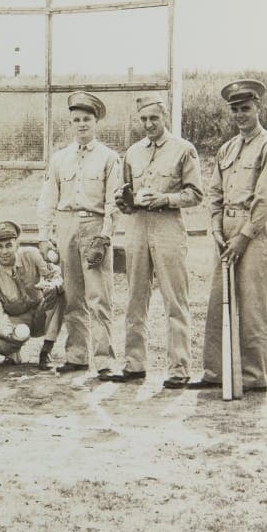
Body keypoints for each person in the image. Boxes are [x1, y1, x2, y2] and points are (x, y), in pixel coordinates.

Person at [189, 79, 267, 394]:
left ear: (258, 107)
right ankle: (215, 372)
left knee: (252, 305)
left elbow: (266, 197)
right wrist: (216, 229)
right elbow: (214, 193)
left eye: (246, 108)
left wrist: (244, 236)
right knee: (219, 303)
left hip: (253, 234)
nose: (240, 115)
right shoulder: (227, 148)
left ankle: (253, 376)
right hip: (225, 232)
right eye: (235, 110)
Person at [107, 95, 203, 388]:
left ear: (165, 119)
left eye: (154, 119)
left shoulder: (183, 150)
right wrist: (124, 202)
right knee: (135, 297)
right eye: (144, 119)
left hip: (167, 227)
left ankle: (179, 369)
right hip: (136, 228)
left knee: (175, 298)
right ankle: (134, 365)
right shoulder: (133, 152)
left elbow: (195, 194)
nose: (149, 124)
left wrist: (164, 199)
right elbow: (126, 193)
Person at [36, 91, 122, 378]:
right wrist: (44, 234)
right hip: (66, 227)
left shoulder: (109, 158)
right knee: (72, 297)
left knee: (99, 297)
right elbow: (48, 198)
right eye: (76, 120)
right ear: (70, 124)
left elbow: (113, 202)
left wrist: (105, 236)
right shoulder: (60, 158)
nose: (82, 124)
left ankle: (105, 360)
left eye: (87, 119)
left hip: (94, 228)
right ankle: (76, 355)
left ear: (96, 123)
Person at [0, 220, 64, 369]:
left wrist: (53, 285)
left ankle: (46, 351)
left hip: (41, 312)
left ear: (17, 245)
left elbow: (54, 274)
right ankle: (13, 352)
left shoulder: (31, 255)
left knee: (59, 292)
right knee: (1, 345)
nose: (4, 251)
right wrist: (9, 333)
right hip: (17, 319)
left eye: (9, 245)